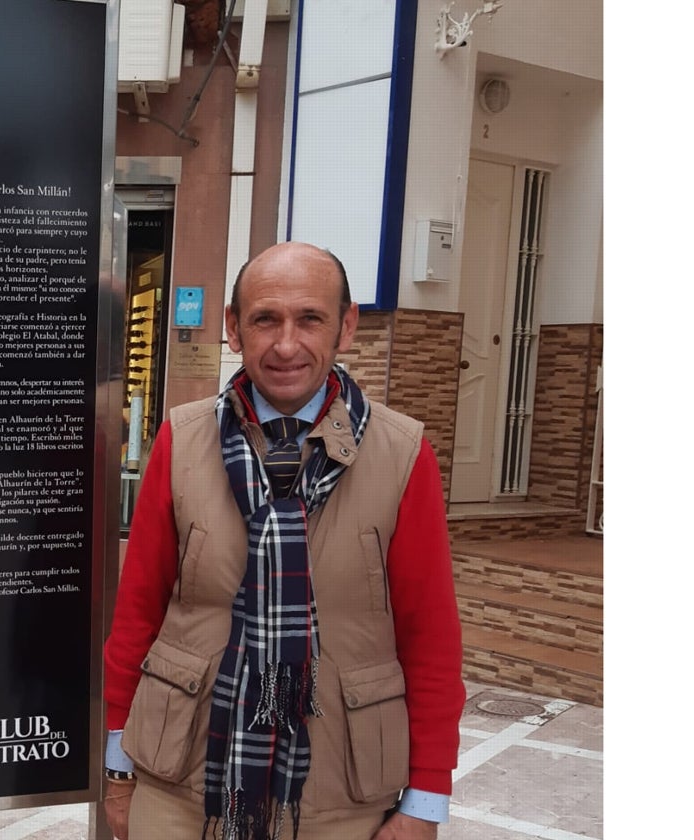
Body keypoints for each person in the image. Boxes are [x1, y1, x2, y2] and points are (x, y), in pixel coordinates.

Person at [102, 242, 465, 840]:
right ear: (233, 329)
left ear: (346, 326)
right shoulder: (182, 440)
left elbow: (429, 639)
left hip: (339, 796)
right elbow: (137, 611)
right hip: (182, 786)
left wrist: (424, 799)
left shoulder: (402, 454)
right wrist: (118, 768)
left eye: (310, 319)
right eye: (265, 319)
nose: (287, 344)